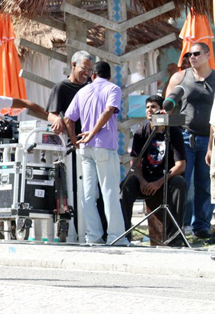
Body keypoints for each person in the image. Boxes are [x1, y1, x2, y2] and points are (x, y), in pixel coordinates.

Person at [64, 61, 128, 245]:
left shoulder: (82, 91)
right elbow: (109, 110)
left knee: (88, 195)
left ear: (93, 75)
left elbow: (68, 119)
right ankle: (116, 237)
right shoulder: (113, 88)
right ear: (108, 76)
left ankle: (93, 236)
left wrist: (75, 141)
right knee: (109, 192)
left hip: (85, 148)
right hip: (104, 146)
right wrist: (93, 133)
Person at [164, 41, 215, 239]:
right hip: (185, 136)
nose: (191, 57)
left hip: (209, 140)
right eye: (189, 54)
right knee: (182, 182)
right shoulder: (180, 77)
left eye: (196, 54)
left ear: (208, 55)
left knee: (204, 184)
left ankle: (201, 227)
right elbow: (166, 107)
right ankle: (179, 225)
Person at [121, 95, 186, 246]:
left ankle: (174, 238)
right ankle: (125, 235)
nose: (150, 110)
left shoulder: (174, 132)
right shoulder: (140, 132)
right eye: (147, 107)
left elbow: (180, 165)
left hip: (166, 179)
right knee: (126, 186)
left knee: (179, 183)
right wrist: (142, 181)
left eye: (154, 107)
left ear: (163, 110)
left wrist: (158, 182)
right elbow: (134, 165)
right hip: (146, 179)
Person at [46, 50, 94, 135]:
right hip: (70, 142)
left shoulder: (91, 87)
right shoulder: (61, 87)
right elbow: (51, 115)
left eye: (90, 70)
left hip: (90, 140)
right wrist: (57, 119)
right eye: (84, 68)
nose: (87, 73)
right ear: (74, 65)